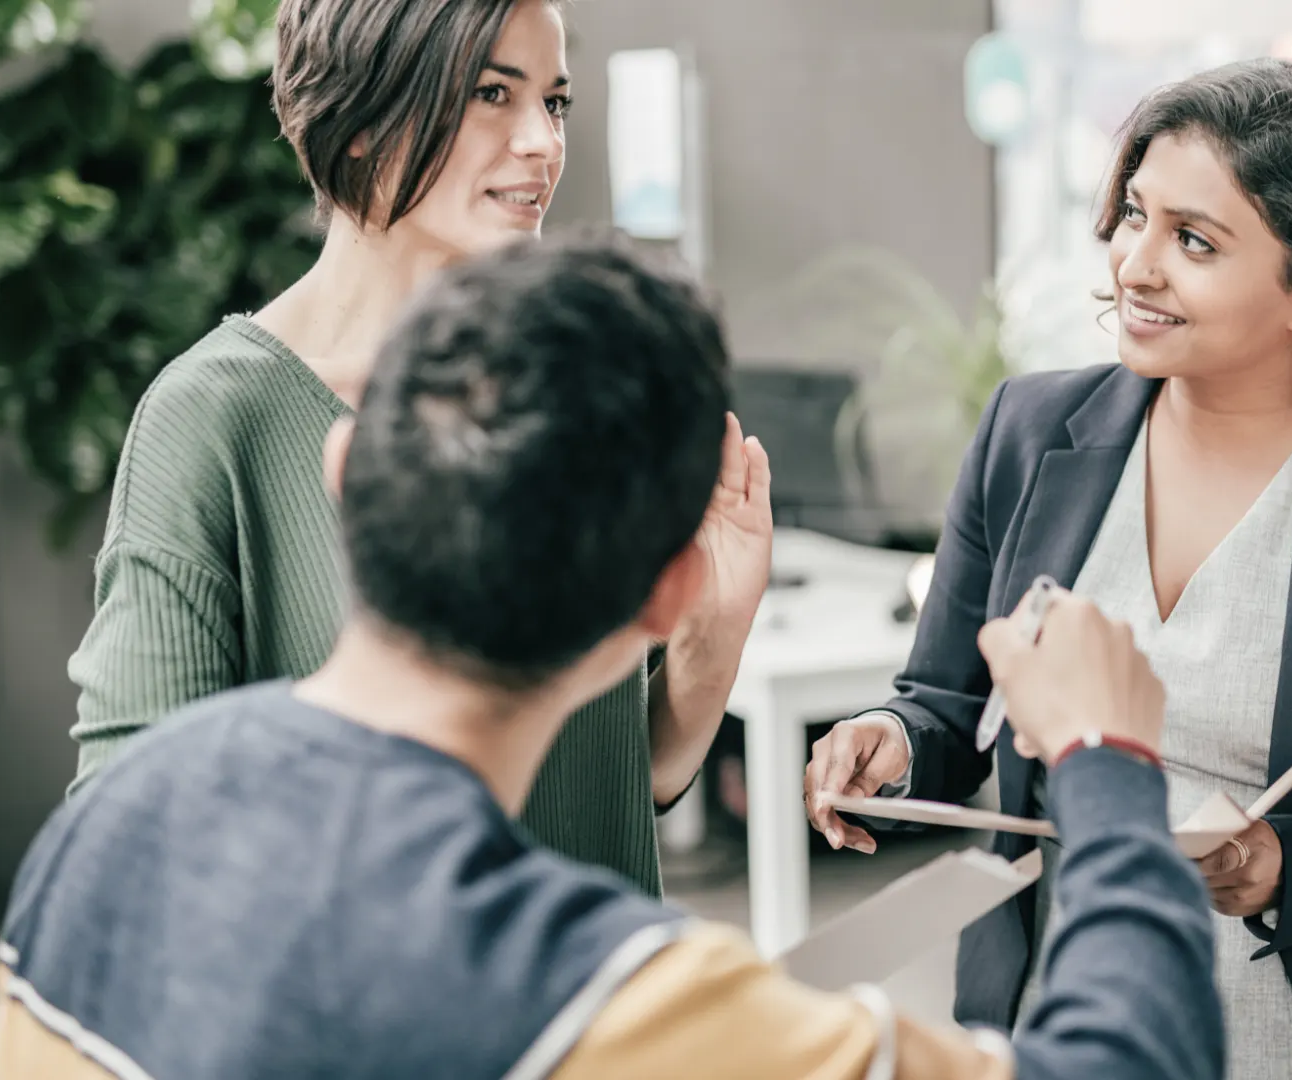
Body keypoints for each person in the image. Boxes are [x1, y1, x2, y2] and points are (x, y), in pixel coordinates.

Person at [0, 235, 1225, 1080]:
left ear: (345, 473)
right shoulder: (620, 1000)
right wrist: (1107, 759)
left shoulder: (102, 832)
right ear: (670, 587)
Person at [803, 57, 1292, 1079]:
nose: (1135, 264)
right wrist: (891, 739)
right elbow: (949, 704)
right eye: (1135, 215)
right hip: (1069, 1017)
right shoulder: (1030, 434)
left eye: (1193, 241)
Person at [63, 0, 771, 897]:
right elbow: (128, 829)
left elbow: (611, 788)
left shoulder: (562, 384)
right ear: (362, 120)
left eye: (554, 102)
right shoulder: (213, 417)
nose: (543, 144)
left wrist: (712, 637)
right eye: (490, 93)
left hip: (593, 1016)